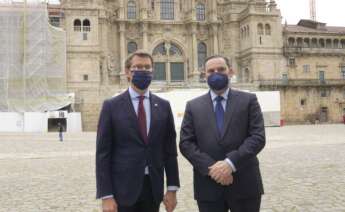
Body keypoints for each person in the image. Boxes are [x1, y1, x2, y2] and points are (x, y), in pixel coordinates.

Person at [96, 50, 180, 212]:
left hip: (153, 188)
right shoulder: (111, 106)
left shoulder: (163, 106)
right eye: (137, 67)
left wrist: (172, 188)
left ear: (152, 71)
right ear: (128, 72)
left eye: (147, 68)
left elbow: (169, 151)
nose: (143, 71)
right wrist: (106, 195)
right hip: (122, 189)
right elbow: (103, 154)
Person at [179, 55, 265, 212]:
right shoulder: (193, 106)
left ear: (230, 71)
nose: (216, 73)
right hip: (208, 186)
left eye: (221, 69)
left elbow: (257, 137)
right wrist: (213, 169)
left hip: (245, 184)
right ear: (204, 75)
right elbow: (186, 143)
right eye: (210, 71)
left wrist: (230, 164)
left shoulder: (248, 100)